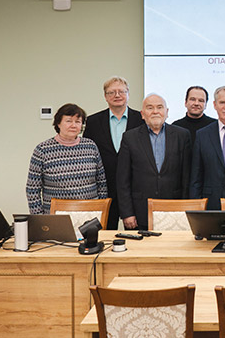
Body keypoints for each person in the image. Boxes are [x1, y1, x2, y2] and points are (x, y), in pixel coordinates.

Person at [117, 94, 192, 230]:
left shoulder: (182, 135)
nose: (155, 111)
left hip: (174, 210)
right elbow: (123, 180)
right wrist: (127, 213)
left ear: (167, 112)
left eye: (159, 107)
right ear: (142, 114)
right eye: (150, 108)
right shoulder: (130, 137)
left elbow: (186, 177)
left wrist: (185, 208)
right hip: (140, 213)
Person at [83, 76, 144, 229]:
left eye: (121, 91)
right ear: (105, 96)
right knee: (105, 234)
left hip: (134, 188)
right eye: (111, 92)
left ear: (128, 94)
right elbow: (88, 154)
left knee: (136, 235)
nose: (117, 95)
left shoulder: (141, 119)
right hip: (105, 188)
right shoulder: (93, 121)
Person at [27, 103, 107, 214]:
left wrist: (100, 210)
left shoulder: (91, 146)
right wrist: (39, 217)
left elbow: (101, 183)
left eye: (78, 122)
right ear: (58, 123)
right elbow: (32, 189)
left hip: (89, 215)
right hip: (56, 216)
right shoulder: (42, 150)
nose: (73, 125)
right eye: (69, 121)